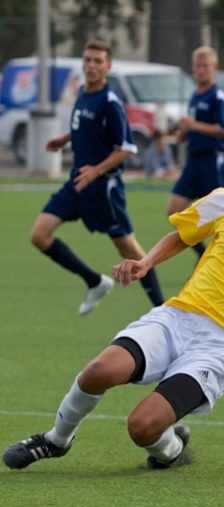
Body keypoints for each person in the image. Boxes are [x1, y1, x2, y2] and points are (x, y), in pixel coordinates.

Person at [3, 133, 224, 471]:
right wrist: (146, 262)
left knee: (142, 426)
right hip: (178, 317)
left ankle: (171, 449)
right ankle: (56, 439)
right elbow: (181, 235)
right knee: (98, 371)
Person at [31, 39, 164, 315]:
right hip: (77, 183)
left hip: (103, 187)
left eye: (97, 61)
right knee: (39, 235)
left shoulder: (110, 102)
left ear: (108, 66)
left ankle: (164, 310)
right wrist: (65, 138)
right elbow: (85, 126)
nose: (91, 66)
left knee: (129, 250)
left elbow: (126, 148)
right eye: (87, 60)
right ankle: (95, 282)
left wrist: (96, 170)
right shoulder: (83, 90)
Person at [169, 45, 224, 259]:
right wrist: (184, 134)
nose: (201, 70)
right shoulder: (194, 96)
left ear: (214, 68)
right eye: (198, 66)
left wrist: (194, 126)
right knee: (174, 211)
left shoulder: (217, 97)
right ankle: (203, 255)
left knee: (222, 220)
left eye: (205, 66)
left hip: (212, 162)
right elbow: (194, 127)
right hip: (193, 162)